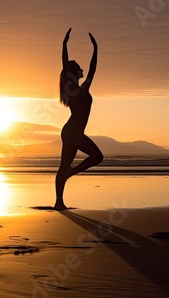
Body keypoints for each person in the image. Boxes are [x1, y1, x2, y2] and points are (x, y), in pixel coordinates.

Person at [54, 28, 103, 210]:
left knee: (96, 157)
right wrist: (64, 44)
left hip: (74, 132)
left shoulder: (83, 88)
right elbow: (66, 66)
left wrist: (96, 50)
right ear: (74, 72)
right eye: (79, 68)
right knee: (69, 164)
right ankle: (59, 201)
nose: (82, 70)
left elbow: (92, 69)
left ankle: (68, 179)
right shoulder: (72, 90)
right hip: (72, 132)